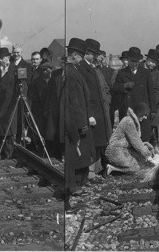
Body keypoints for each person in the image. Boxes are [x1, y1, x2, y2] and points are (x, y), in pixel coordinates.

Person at [63, 38, 96, 199]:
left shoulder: (73, 69)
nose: (82, 59)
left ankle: (80, 180)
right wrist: (81, 122)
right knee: (75, 152)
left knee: (80, 151)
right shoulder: (70, 72)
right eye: (81, 55)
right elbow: (74, 101)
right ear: (75, 55)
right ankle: (73, 184)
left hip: (80, 117)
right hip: (76, 120)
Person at [76, 38, 111, 177]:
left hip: (99, 111)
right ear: (87, 53)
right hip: (92, 113)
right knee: (92, 143)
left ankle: (94, 170)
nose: (95, 56)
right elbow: (83, 93)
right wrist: (89, 114)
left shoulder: (91, 67)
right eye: (93, 53)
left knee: (99, 142)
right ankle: (89, 172)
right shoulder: (82, 67)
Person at [112, 47, 156, 142]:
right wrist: (124, 86)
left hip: (142, 110)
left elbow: (151, 92)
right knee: (129, 136)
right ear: (128, 60)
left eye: (136, 61)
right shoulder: (122, 73)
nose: (134, 64)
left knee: (144, 135)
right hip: (128, 109)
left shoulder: (146, 73)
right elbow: (115, 88)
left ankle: (144, 155)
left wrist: (153, 110)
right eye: (132, 61)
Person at [104, 102, 154, 175]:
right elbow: (136, 141)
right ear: (139, 112)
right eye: (145, 114)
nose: (145, 117)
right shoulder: (129, 121)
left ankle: (114, 168)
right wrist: (148, 156)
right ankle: (113, 168)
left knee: (142, 164)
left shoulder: (131, 120)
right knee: (138, 167)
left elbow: (134, 141)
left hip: (122, 149)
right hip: (116, 150)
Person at [143, 49, 159, 144]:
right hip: (139, 102)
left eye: (155, 63)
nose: (153, 64)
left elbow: (157, 90)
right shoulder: (139, 69)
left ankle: (155, 143)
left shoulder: (156, 73)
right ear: (147, 59)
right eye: (152, 62)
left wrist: (153, 102)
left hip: (151, 103)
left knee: (156, 119)